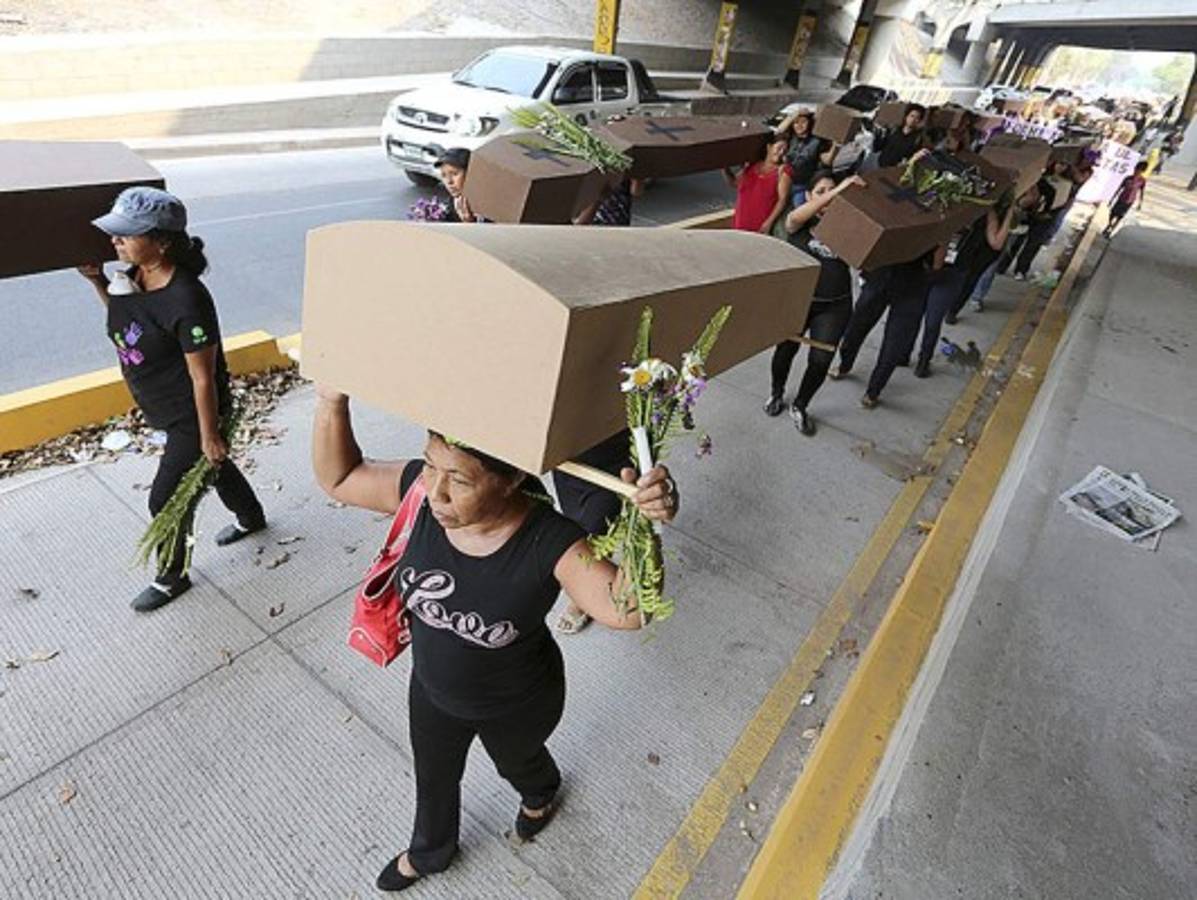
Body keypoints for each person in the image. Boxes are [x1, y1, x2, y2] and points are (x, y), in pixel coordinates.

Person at [311, 387, 679, 893]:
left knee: (519, 762)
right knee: (433, 779)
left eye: (458, 479)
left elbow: (627, 608)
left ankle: (541, 793)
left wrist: (646, 527)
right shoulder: (420, 495)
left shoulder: (548, 538)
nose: (436, 492)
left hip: (518, 702)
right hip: (433, 692)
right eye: (429, 465)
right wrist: (332, 401)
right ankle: (430, 851)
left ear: (512, 479)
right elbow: (341, 478)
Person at [77, 187, 266, 612]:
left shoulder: (187, 299)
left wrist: (210, 434)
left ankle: (171, 576)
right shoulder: (133, 279)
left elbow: (203, 378)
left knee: (164, 498)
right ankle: (250, 516)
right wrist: (98, 283)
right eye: (115, 233)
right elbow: (131, 324)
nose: (115, 241)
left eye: (126, 234)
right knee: (212, 469)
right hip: (162, 404)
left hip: (190, 412)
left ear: (161, 241)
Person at [765, 170, 865, 435]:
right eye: (821, 192)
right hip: (799, 302)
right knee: (785, 351)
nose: (828, 199)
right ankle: (777, 392)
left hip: (834, 306)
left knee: (821, 360)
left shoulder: (848, 227)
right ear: (809, 196)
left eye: (832, 192)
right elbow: (796, 217)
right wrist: (839, 190)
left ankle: (800, 405)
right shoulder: (797, 222)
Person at [915, 199, 1017, 377]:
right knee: (911, 315)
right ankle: (902, 353)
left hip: (952, 272)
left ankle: (924, 360)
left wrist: (1010, 213)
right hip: (926, 266)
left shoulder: (987, 211)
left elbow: (996, 243)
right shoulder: (942, 203)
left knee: (933, 319)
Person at [725, 134, 793, 235]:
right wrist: (724, 167)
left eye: (785, 150)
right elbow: (734, 183)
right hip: (740, 221)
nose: (781, 153)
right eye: (779, 148)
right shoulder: (752, 166)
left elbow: (782, 200)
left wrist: (768, 223)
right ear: (769, 147)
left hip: (760, 224)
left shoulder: (783, 171)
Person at [777, 109, 834, 205]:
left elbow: (826, 160)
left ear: (810, 123)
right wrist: (796, 113)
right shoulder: (791, 138)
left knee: (799, 204)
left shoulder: (817, 140)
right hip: (786, 180)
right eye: (796, 123)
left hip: (805, 184)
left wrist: (835, 147)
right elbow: (779, 130)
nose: (799, 125)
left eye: (803, 122)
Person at [434, 147, 480, 223]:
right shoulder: (449, 206)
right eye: (444, 175)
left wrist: (469, 222)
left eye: (455, 174)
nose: (449, 181)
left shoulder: (485, 205)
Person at [1104, 160, 1149, 238]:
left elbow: (1142, 192)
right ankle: (1109, 225)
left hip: (1129, 201)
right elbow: (1119, 188)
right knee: (1112, 213)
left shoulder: (1142, 181)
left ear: (1142, 171)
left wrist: (1140, 203)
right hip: (1121, 198)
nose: (1136, 171)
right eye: (1136, 169)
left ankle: (1111, 230)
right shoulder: (1128, 178)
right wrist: (1112, 199)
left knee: (1120, 216)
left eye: (1139, 170)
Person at [876, 104, 926, 168]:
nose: (913, 120)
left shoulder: (917, 139)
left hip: (896, 170)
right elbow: (878, 147)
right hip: (879, 165)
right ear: (906, 116)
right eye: (912, 116)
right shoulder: (893, 130)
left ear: (919, 121)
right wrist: (879, 135)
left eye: (917, 118)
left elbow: (913, 158)